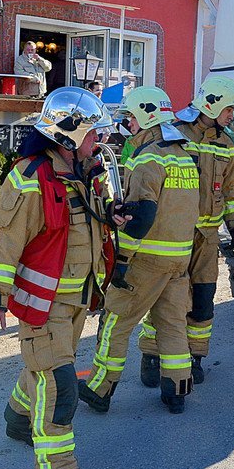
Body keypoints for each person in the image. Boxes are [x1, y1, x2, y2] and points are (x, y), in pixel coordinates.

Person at [0, 87, 122, 469]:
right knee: (59, 384)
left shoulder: (82, 172)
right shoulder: (30, 178)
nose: (100, 140)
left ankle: (17, 417)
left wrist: (111, 213)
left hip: (76, 301)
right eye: (93, 133)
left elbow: (90, 222)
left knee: (43, 367)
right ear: (68, 136)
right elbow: (5, 244)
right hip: (43, 305)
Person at [78, 86, 200, 414]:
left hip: (147, 260)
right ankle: (177, 390)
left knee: (116, 321)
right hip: (179, 259)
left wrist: (121, 260)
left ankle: (99, 389)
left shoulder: (148, 157)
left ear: (146, 116)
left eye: (130, 117)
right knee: (171, 323)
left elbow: (141, 217)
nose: (128, 124)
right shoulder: (184, 155)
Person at [138, 75, 234, 388]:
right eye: (229, 109)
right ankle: (151, 355)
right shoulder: (175, 134)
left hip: (207, 239)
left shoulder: (227, 145)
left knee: (202, 299)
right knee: (166, 297)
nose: (232, 115)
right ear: (211, 105)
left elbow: (230, 190)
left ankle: (195, 357)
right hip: (176, 234)